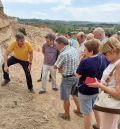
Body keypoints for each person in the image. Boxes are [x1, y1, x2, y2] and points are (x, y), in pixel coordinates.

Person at [87, 37, 120, 129]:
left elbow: (118, 94)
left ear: (113, 51)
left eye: (105, 53)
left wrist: (99, 85)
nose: (104, 56)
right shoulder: (114, 61)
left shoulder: (118, 64)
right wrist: (100, 83)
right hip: (109, 103)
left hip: (112, 104)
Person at [75, 39, 108, 129]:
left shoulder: (84, 62)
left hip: (85, 90)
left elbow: (77, 76)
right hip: (97, 88)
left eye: (85, 49)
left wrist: (80, 62)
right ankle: (98, 125)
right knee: (96, 108)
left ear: (91, 51)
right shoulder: (103, 57)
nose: (84, 51)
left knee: (87, 113)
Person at [54, 36, 79, 120]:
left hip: (67, 79)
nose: (55, 46)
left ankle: (66, 114)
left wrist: (60, 68)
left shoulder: (63, 54)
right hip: (76, 76)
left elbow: (55, 66)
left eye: (56, 44)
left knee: (65, 98)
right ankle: (79, 110)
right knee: (75, 95)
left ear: (61, 44)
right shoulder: (74, 49)